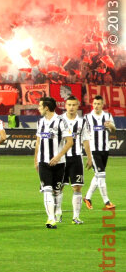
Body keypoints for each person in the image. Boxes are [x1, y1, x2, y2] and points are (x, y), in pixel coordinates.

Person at [35, 96, 72, 229]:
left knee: (56, 191)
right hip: (43, 162)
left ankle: (57, 213)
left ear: (46, 107)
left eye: (40, 106)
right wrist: (36, 161)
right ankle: (50, 219)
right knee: (47, 190)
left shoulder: (61, 121)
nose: (38, 108)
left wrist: (58, 156)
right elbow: (38, 142)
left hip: (59, 163)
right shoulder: (40, 122)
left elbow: (70, 141)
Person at [60, 95, 91, 224]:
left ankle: (76, 217)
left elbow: (85, 140)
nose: (71, 107)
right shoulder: (59, 120)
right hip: (61, 158)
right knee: (58, 187)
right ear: (65, 106)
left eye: (74, 105)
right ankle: (57, 214)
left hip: (76, 157)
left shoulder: (83, 122)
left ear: (78, 106)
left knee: (77, 187)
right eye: (69, 105)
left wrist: (89, 157)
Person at [84, 95, 117, 210]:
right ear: (92, 104)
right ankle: (106, 201)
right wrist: (87, 154)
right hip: (94, 150)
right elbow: (85, 136)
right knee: (102, 175)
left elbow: (113, 130)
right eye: (95, 104)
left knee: (98, 175)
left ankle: (87, 198)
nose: (96, 106)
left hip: (105, 149)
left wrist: (110, 125)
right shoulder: (87, 117)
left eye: (99, 104)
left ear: (102, 105)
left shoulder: (107, 116)